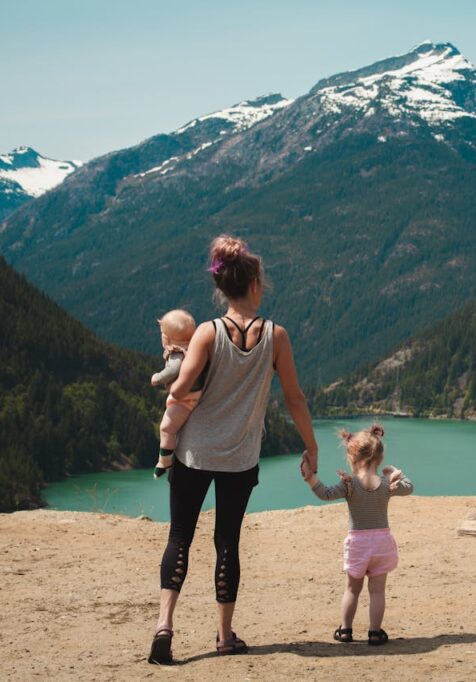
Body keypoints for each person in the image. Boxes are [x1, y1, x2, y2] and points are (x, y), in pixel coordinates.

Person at [148, 234, 319, 665]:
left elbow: (183, 386)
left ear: (222, 288)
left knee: (180, 536)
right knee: (228, 542)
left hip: (193, 454)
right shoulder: (276, 336)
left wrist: (174, 378)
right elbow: (295, 398)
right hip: (240, 459)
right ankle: (225, 636)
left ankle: (164, 626)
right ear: (256, 285)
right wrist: (311, 444)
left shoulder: (207, 332)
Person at [301, 424, 413, 646]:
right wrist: (395, 473)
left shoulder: (350, 484)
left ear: (352, 458)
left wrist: (310, 478)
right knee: (377, 591)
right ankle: (374, 632)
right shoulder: (386, 484)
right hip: (382, 543)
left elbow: (325, 493)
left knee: (352, 589)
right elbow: (409, 487)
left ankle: (345, 630)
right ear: (379, 459)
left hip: (358, 545)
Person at [150, 309, 204, 479]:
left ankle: (164, 460)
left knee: (166, 428)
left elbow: (173, 370)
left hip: (185, 400)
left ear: (165, 337)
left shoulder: (176, 353)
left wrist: (157, 378)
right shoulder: (197, 348)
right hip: (201, 394)